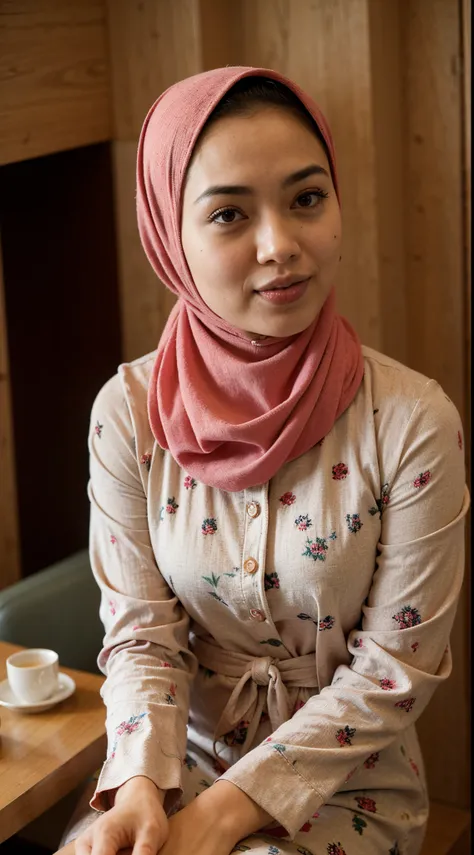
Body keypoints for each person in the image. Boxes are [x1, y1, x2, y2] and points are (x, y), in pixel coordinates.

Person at [56, 66, 469, 855]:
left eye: (307, 198)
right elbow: (143, 635)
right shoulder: (128, 414)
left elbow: (394, 672)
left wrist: (226, 816)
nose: (281, 245)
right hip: (180, 759)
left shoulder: (413, 421)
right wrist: (142, 783)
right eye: (229, 214)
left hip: (350, 783)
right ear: (167, 236)